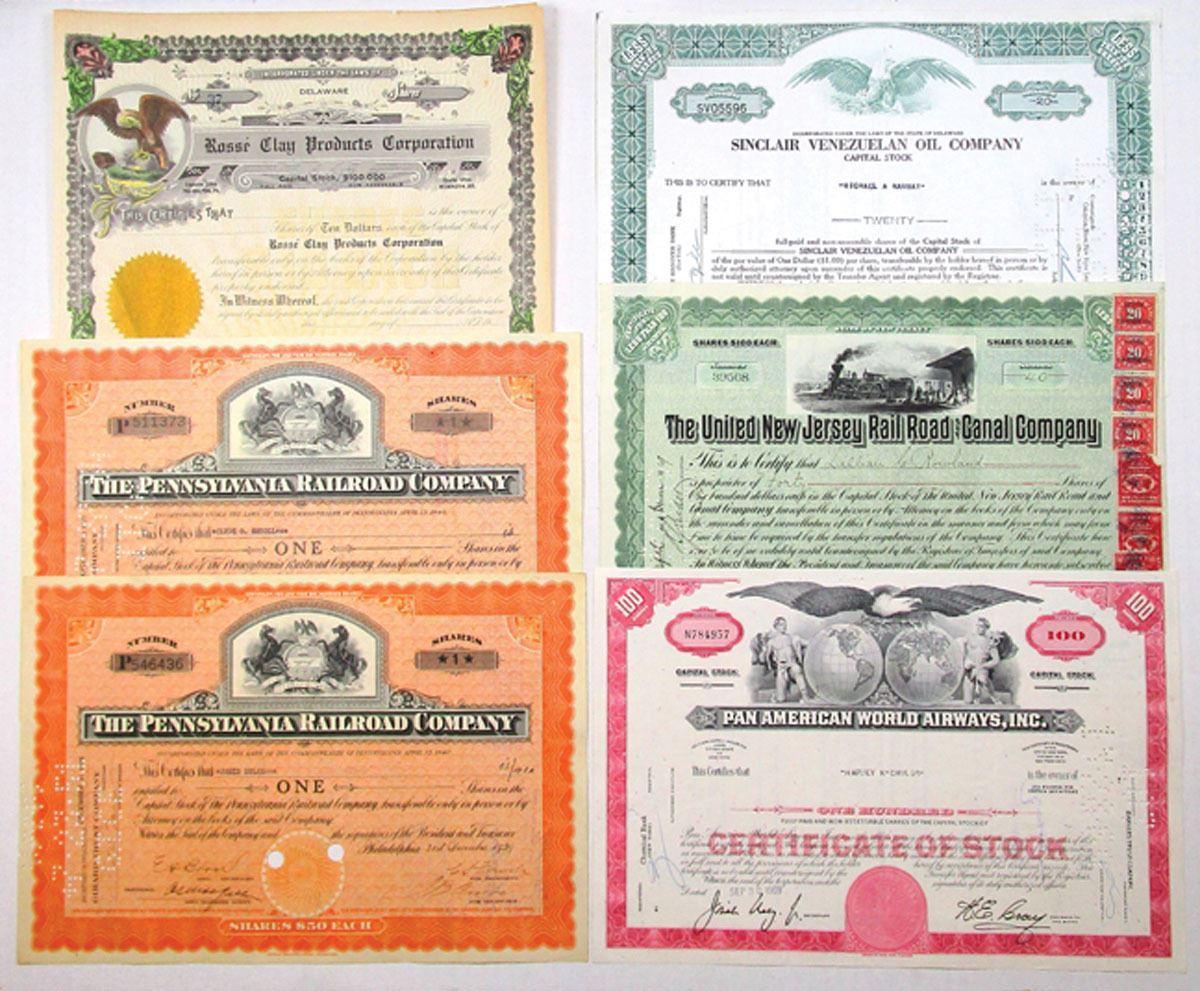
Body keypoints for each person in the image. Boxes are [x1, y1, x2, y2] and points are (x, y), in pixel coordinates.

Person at [765, 617, 805, 702]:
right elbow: (767, 656)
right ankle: (778, 696)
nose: (784, 626)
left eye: (785, 624)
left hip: (792, 663)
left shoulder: (792, 638)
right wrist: (770, 667)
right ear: (776, 626)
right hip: (781, 666)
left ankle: (805, 696)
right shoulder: (772, 642)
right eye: (781, 625)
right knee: (781, 698)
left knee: (797, 670)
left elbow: (804, 643)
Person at [962, 617, 1001, 703]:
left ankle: (993, 697)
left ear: (986, 628)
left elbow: (996, 660)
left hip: (982, 668)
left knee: (982, 679)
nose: (978, 628)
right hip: (970, 668)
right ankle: (974, 696)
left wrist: (983, 666)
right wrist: (966, 662)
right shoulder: (969, 638)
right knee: (968, 701)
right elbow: (963, 651)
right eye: (977, 626)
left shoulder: (990, 642)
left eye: (981, 626)